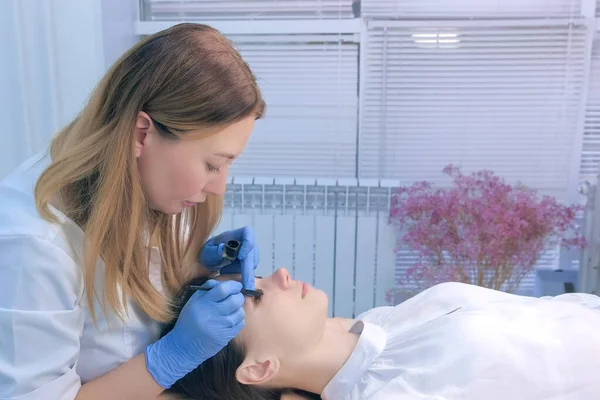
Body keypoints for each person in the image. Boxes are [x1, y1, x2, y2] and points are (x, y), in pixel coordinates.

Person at [0, 23, 265, 399]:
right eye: (212, 165)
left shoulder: (146, 179)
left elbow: (127, 299)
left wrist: (198, 267)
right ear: (142, 133)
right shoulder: (33, 244)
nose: (219, 187)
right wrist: (170, 358)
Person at [162, 268, 600, 400]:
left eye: (254, 275)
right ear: (259, 368)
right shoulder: (393, 392)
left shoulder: (380, 323)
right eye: (257, 295)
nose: (279, 274)